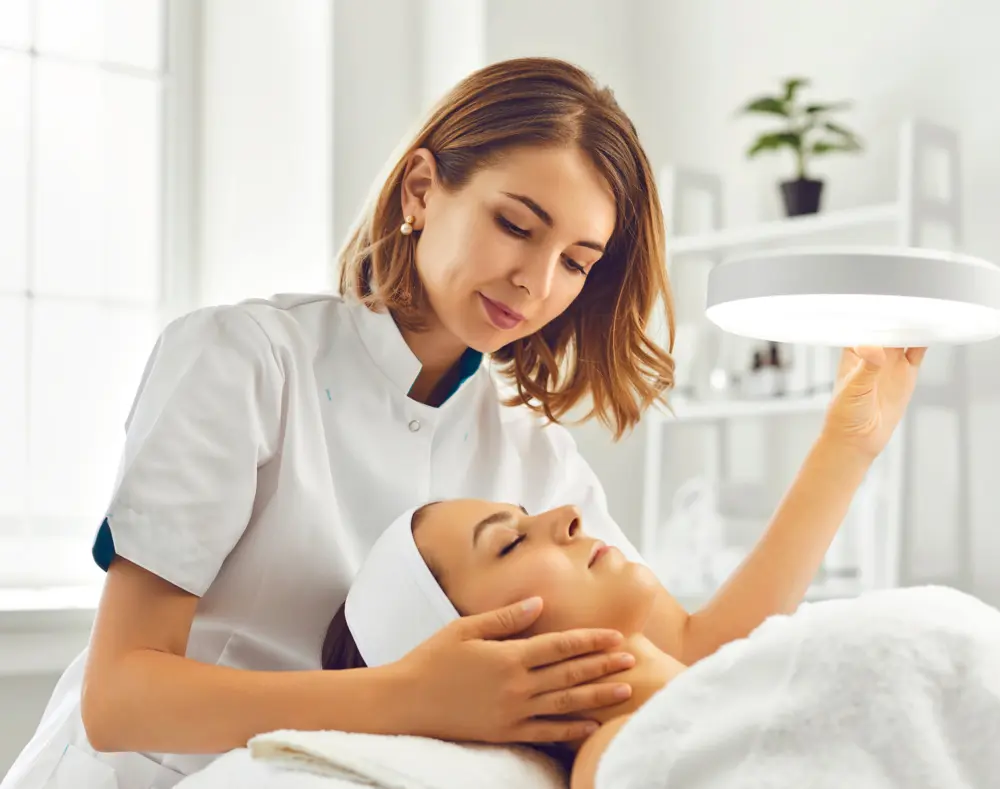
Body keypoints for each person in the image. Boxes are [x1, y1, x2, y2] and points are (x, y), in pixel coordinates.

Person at [0, 53, 923, 789]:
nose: (537, 281)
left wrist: (851, 439)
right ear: (419, 191)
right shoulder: (244, 359)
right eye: (516, 224)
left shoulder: (530, 456)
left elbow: (688, 653)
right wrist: (409, 697)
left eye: (577, 260)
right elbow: (121, 696)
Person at [330, 492, 993, 789]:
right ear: (480, 655)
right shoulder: (627, 762)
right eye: (509, 541)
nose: (566, 514)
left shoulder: (734, 684)